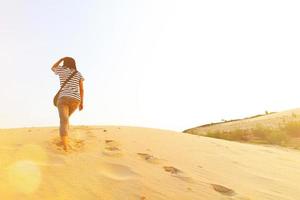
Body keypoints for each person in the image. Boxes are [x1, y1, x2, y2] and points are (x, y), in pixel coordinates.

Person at [51, 57, 85, 151]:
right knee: (66, 120)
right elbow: (81, 89)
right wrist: (82, 103)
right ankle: (65, 139)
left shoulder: (62, 70)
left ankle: (65, 146)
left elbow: (53, 67)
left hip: (63, 98)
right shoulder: (78, 74)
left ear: (65, 63)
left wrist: (61, 59)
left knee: (63, 121)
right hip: (75, 100)